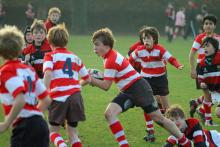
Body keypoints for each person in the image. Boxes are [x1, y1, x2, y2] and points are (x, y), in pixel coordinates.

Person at [89, 27, 191, 147]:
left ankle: (185, 142)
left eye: (97, 45)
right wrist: (95, 76)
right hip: (128, 90)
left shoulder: (110, 59)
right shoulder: (109, 57)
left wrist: (90, 79)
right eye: (93, 45)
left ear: (106, 46)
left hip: (139, 89)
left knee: (159, 119)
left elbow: (106, 86)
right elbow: (110, 76)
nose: (94, 48)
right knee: (109, 114)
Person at [0, 25, 51, 147]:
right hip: (40, 124)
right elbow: (46, 100)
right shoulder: (29, 70)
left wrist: (6, 124)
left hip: (24, 126)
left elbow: (20, 100)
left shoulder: (6, 71)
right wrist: (35, 116)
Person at [43, 24, 91, 147]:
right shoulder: (75, 57)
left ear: (49, 41)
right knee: (73, 134)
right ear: (66, 41)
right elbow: (87, 79)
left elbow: (48, 74)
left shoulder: (50, 56)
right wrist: (75, 86)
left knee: (53, 131)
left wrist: (44, 93)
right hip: (76, 97)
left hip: (59, 97)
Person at [189, 14, 220, 125]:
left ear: (214, 26)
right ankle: (208, 119)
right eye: (206, 23)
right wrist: (193, 69)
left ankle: (198, 105)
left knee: (214, 93)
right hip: (203, 69)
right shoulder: (199, 38)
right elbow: (192, 54)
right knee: (208, 94)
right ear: (203, 25)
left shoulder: (218, 38)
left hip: (215, 70)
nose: (208, 26)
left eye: (210, 24)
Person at [197, 37, 220, 124]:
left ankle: (196, 103)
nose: (205, 48)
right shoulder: (202, 63)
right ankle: (208, 121)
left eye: (207, 46)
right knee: (207, 97)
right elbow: (200, 77)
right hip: (214, 89)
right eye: (203, 46)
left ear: (215, 48)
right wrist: (201, 82)